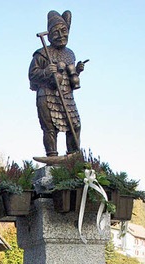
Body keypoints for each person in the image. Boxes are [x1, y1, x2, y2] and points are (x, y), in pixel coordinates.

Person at [29, 10, 86, 157]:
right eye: (56, 32)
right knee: (50, 128)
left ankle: (73, 156)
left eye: (64, 31)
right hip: (47, 96)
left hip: (66, 95)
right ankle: (52, 155)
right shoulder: (42, 53)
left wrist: (77, 71)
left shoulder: (70, 54)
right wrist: (47, 71)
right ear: (49, 35)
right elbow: (32, 75)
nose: (61, 35)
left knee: (75, 125)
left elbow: (70, 78)